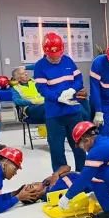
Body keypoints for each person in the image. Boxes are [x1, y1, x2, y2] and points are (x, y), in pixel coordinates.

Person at [34, 33, 86, 172]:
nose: (56, 59)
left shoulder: (68, 61)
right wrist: (58, 98)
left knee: (80, 145)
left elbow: (79, 80)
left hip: (73, 112)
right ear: (46, 53)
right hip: (54, 114)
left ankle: (82, 173)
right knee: (57, 148)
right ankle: (61, 176)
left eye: (58, 56)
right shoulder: (40, 66)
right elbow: (42, 88)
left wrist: (72, 90)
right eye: (52, 57)